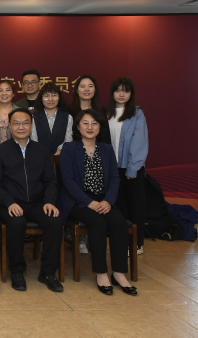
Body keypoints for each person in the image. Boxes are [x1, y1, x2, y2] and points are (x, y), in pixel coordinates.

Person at [58, 109, 137, 296]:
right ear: (78, 127)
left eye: (94, 123)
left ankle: (118, 273)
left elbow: (114, 178)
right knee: (98, 222)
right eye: (85, 123)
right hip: (77, 200)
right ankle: (101, 273)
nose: (90, 127)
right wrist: (88, 202)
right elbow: (67, 180)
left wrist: (108, 200)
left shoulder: (107, 149)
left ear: (100, 127)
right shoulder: (69, 148)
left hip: (103, 198)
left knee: (118, 222)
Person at [0, 108, 63, 292]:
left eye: (25, 123)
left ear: (31, 125)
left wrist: (49, 201)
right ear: (9, 126)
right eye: (16, 123)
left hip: (38, 202)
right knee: (16, 222)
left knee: (54, 221)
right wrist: (9, 202)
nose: (21, 127)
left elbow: (50, 181)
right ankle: (17, 271)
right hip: (9, 203)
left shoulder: (41, 150)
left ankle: (48, 273)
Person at [107, 77, 148, 254]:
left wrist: (132, 168)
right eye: (118, 90)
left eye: (126, 90)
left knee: (135, 207)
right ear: (112, 93)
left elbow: (139, 143)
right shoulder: (106, 113)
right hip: (112, 168)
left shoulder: (137, 113)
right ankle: (122, 243)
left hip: (131, 169)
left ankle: (137, 244)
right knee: (119, 206)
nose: (121, 94)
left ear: (131, 93)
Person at [30, 82, 73, 156]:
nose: (50, 99)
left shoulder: (67, 117)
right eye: (46, 95)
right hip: (40, 156)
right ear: (41, 98)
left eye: (54, 95)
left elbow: (68, 140)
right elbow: (34, 140)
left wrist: (59, 152)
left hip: (62, 156)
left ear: (59, 97)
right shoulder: (34, 117)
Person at [67, 75, 110, 144]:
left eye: (90, 86)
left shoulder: (102, 111)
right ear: (77, 90)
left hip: (97, 148)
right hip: (73, 149)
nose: (86, 89)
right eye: (83, 86)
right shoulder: (67, 111)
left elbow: (105, 136)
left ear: (95, 90)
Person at [0, 80, 18, 151]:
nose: (4, 93)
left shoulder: (21, 113)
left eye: (7, 90)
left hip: (17, 153)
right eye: (0, 90)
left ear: (13, 93)